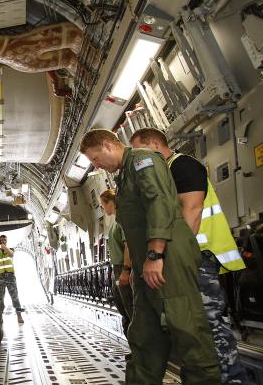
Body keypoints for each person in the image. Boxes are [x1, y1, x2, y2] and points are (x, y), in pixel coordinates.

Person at [79, 129, 219, 385]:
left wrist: (156, 254)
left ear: (108, 145)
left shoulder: (144, 159)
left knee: (188, 329)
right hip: (148, 265)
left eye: (95, 158)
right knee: (144, 335)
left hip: (167, 258)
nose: (96, 166)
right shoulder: (125, 175)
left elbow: (159, 202)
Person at [130, 127, 248, 384]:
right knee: (194, 327)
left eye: (139, 151)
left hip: (198, 257)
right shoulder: (164, 171)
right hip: (187, 259)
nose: (137, 159)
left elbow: (191, 212)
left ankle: (231, 379)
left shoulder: (182, 166)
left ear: (154, 146)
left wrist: (169, 257)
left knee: (208, 325)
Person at [100, 189, 133, 341]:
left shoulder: (122, 220)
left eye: (102, 205)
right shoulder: (115, 222)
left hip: (123, 268)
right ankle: (134, 347)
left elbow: (128, 246)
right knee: (123, 309)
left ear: (110, 202)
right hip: (117, 268)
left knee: (130, 308)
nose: (103, 208)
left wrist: (126, 270)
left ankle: (141, 351)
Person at [0, 235, 24, 323]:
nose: (3, 241)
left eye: (4, 239)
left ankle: (19, 315)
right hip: (0, 277)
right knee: (0, 297)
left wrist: (4, 247)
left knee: (14, 296)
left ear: (6, 241)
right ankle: (0, 316)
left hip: (10, 276)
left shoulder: (10, 249)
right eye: (1, 240)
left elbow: (11, 254)